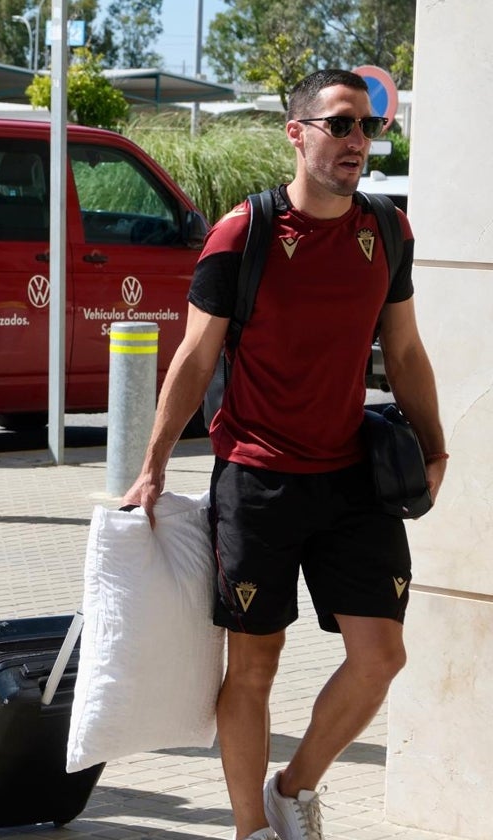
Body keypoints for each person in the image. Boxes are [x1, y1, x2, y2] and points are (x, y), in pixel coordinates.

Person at [122, 69, 447, 840]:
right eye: (339, 125)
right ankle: (250, 829)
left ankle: (292, 788)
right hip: (259, 480)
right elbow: (196, 358)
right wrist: (154, 463)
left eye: (367, 128)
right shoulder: (245, 233)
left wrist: (436, 448)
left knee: (381, 657)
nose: (357, 142)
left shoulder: (387, 231)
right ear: (296, 133)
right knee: (256, 667)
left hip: (352, 479)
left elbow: (402, 349)